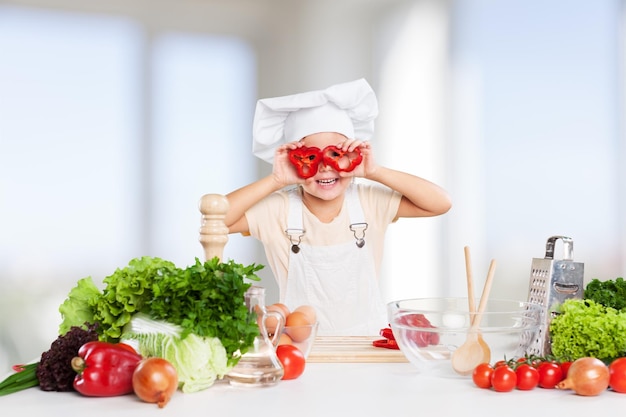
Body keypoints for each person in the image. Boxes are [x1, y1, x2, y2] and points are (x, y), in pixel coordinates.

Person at [225, 78, 451, 336]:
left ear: (353, 158)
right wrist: (275, 180)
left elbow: (441, 202)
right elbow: (215, 219)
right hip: (301, 348)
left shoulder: (369, 201)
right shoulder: (278, 210)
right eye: (310, 157)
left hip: (366, 345)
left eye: (337, 155)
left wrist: (375, 171)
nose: (325, 167)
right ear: (293, 162)